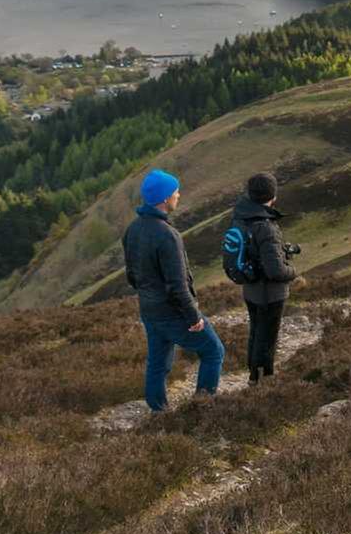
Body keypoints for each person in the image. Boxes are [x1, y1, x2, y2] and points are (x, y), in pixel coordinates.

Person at [122, 167, 223, 410]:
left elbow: (131, 275)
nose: (179, 196)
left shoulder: (132, 230)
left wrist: (148, 294)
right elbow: (177, 286)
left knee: (158, 363)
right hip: (171, 312)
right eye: (176, 192)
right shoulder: (168, 235)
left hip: (149, 309)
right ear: (165, 198)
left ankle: (158, 410)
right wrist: (193, 316)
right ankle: (202, 406)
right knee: (213, 351)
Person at [232, 171, 297, 383]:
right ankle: (263, 381)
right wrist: (293, 272)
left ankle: (253, 375)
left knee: (256, 332)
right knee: (267, 338)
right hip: (270, 293)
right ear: (273, 196)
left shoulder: (241, 218)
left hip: (250, 289)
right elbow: (276, 271)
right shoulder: (267, 227)